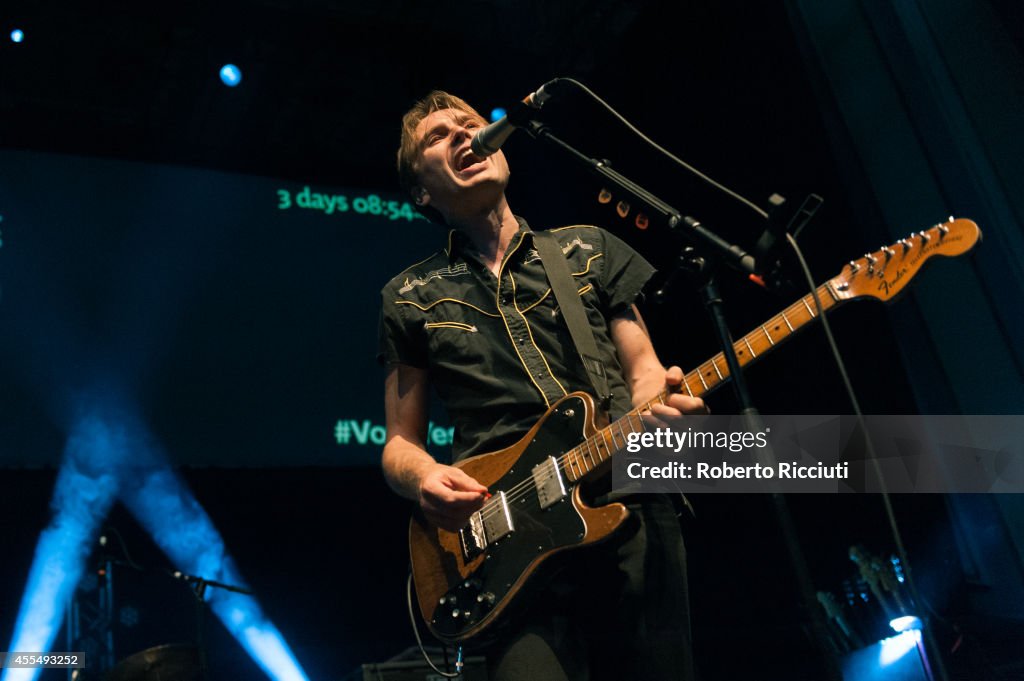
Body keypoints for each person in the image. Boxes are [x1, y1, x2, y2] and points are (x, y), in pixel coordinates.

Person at [378, 90, 706, 681]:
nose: (463, 134)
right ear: (422, 192)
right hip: (504, 544)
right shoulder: (410, 296)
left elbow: (644, 370)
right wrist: (423, 476)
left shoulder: (588, 248)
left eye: (472, 124)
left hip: (627, 505)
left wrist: (656, 404)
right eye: (438, 135)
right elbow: (399, 444)